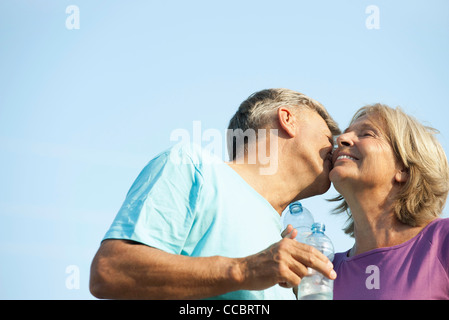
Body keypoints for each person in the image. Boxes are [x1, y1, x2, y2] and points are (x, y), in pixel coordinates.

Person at [89, 88, 340, 300]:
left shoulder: (285, 244)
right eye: (329, 136)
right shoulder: (191, 165)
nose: (337, 147)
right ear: (288, 119)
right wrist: (242, 271)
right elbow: (110, 270)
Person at [329, 103, 449, 299]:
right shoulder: (323, 270)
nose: (342, 139)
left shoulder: (442, 241)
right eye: (345, 133)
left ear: (403, 169)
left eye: (367, 134)